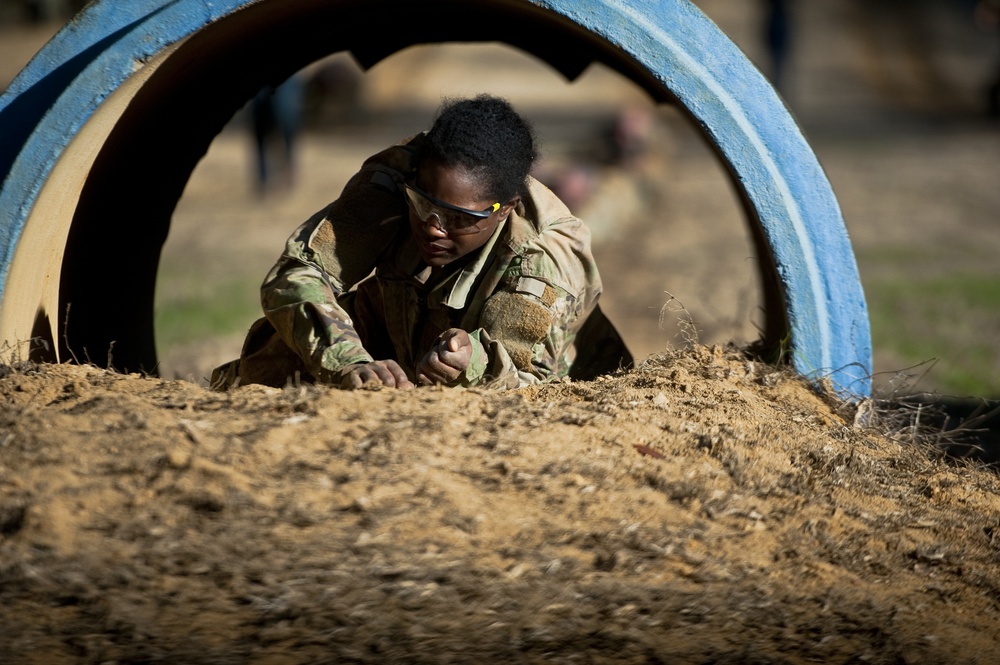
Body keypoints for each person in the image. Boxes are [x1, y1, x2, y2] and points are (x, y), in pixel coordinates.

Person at [212, 94, 631, 391]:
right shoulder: (398, 178)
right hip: (406, 328)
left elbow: (529, 388)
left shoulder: (544, 261)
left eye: (459, 220)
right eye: (423, 204)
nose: (433, 227)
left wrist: (472, 365)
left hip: (559, 378)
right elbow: (297, 273)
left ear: (505, 210)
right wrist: (349, 362)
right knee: (293, 338)